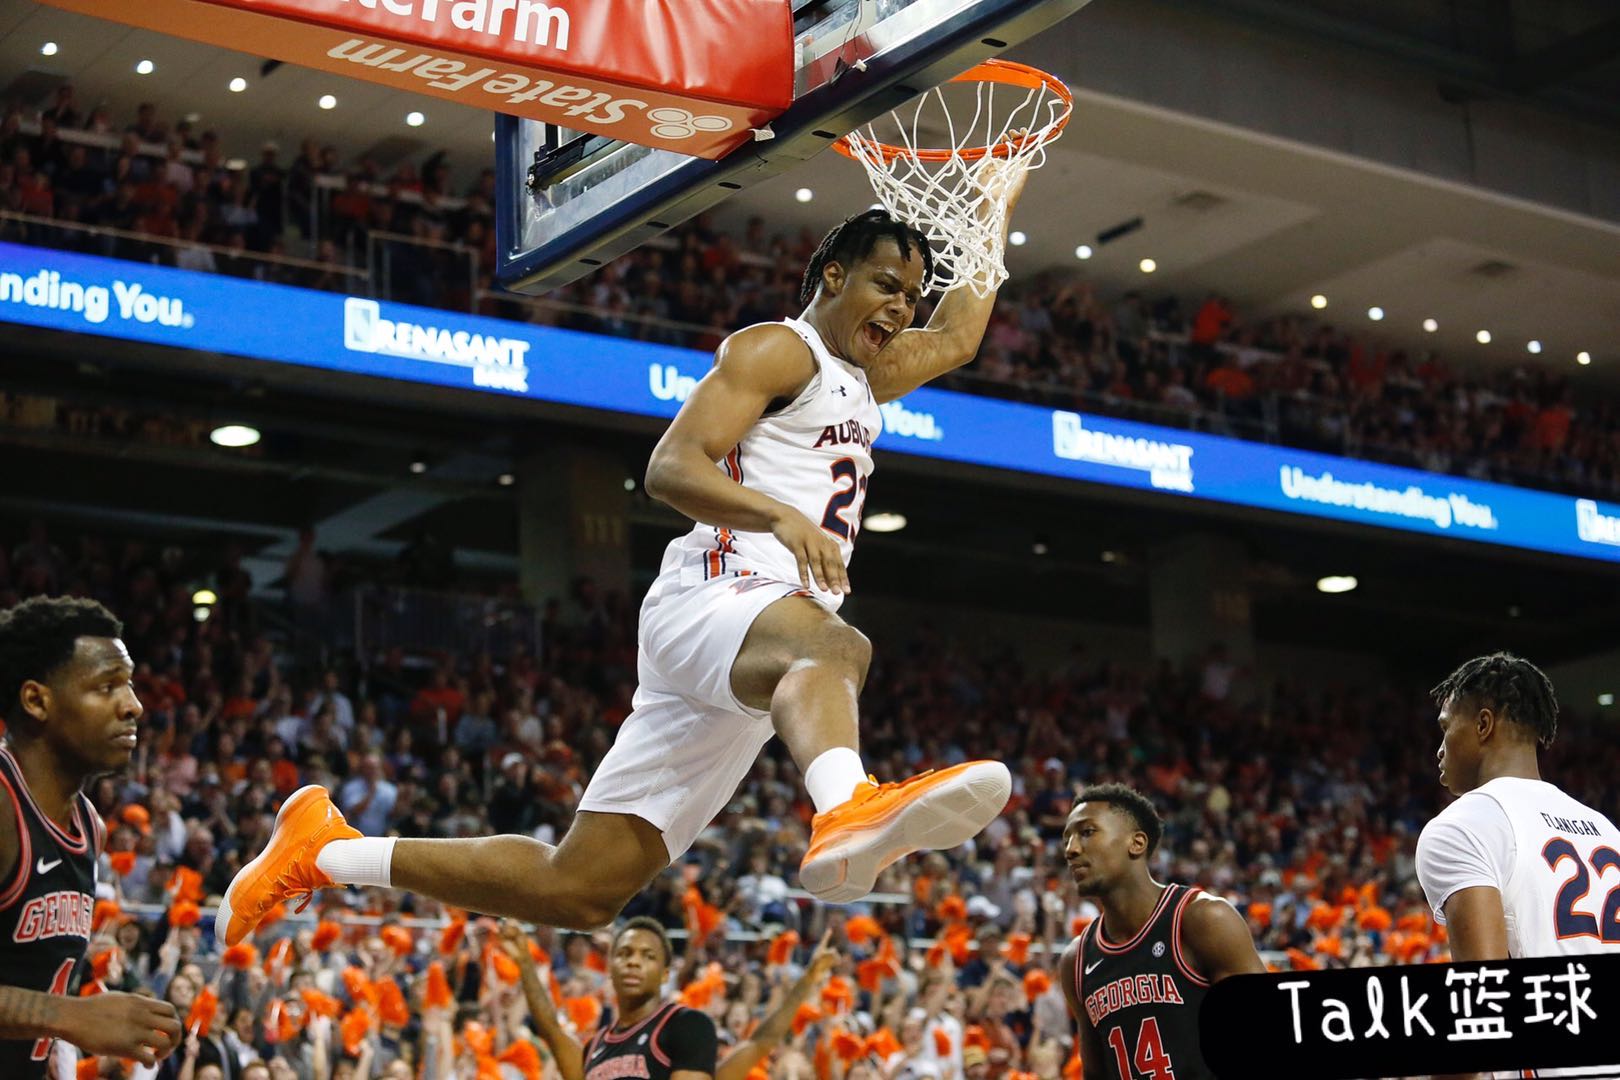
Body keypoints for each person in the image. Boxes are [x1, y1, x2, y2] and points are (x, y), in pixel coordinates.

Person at [216, 164, 1032, 945]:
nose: (902, 306)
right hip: (723, 593)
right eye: (886, 285)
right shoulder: (780, 351)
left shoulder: (866, 374)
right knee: (836, 644)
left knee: (580, 889)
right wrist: (780, 517)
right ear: (831, 277)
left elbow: (960, 334)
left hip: (752, 645)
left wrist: (995, 197)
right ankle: (847, 803)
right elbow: (670, 468)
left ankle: (321, 852)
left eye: (911, 295)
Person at [0, 597, 183, 1075]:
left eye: (128, 685)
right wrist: (69, 1017)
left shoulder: (89, 825)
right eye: (107, 687)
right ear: (37, 700)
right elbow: (60, 1013)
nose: (134, 706)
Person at [1415, 652, 1620, 1079]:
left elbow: (1480, 1003)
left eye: (1445, 728)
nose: (1439, 749)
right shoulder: (1605, 829)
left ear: (1483, 725)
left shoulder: (1463, 823)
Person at [1057, 784, 1263, 1080]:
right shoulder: (1075, 961)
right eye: (1067, 839)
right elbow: (1096, 1074)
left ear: (1136, 843)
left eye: (1087, 832)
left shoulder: (1202, 919)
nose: (1071, 849)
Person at [507, 916, 717, 1080]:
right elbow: (552, 1030)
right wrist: (525, 962)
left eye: (648, 955)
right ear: (609, 969)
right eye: (624, 953)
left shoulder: (686, 1025)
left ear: (665, 974)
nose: (633, 962)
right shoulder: (595, 1047)